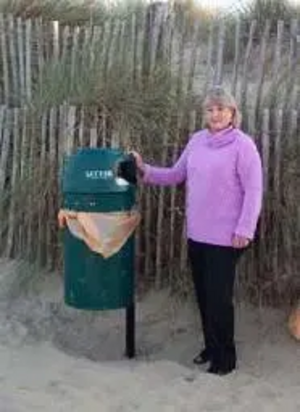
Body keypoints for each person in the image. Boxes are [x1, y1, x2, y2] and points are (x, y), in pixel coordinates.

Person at [132, 86, 263, 375]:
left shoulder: (243, 145)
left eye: (221, 108)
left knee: (219, 299)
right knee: (204, 296)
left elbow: (254, 190)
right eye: (210, 109)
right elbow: (177, 174)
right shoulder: (197, 141)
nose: (215, 114)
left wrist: (245, 227)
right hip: (197, 235)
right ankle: (211, 347)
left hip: (228, 238)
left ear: (232, 113)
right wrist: (145, 170)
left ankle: (225, 360)